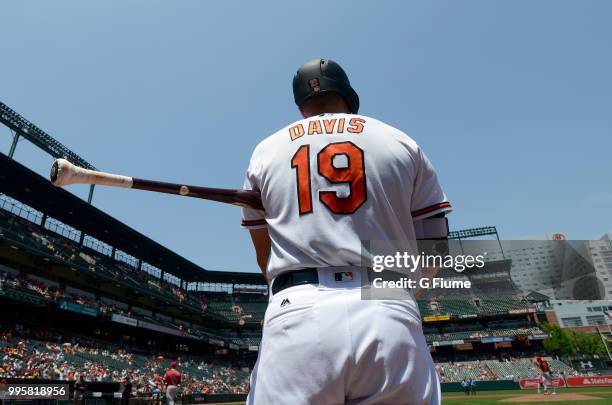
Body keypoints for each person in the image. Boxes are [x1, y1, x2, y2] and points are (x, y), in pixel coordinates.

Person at [242, 58, 451, 404]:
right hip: (387, 305)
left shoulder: (265, 151)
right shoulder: (399, 141)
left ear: (300, 106)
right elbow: (434, 251)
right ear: (350, 97)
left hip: (297, 310)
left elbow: (264, 259)